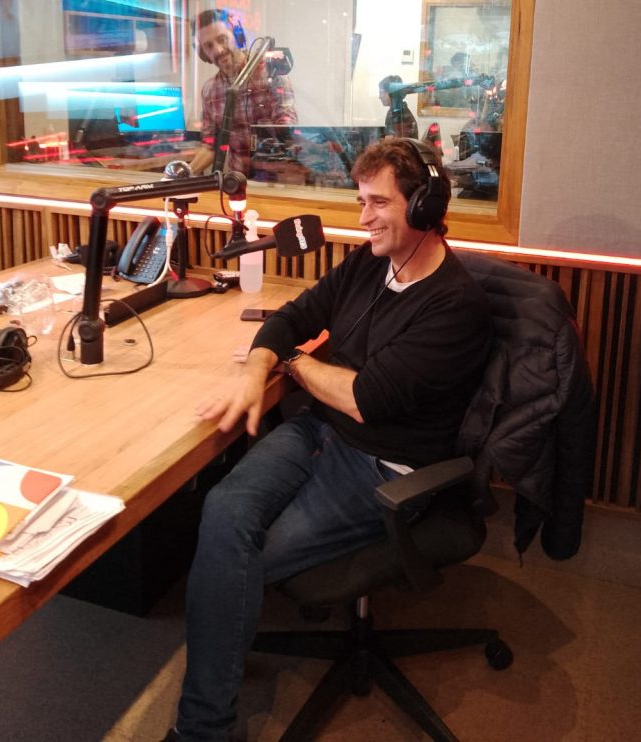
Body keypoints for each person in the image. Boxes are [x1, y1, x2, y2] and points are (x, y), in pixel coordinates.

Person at [163, 138, 493, 741]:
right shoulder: (371, 262)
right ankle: (206, 729)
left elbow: (365, 398)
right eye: (360, 201)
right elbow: (293, 316)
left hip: (383, 467)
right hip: (317, 430)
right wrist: (258, 370)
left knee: (242, 561)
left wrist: (291, 362)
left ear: (424, 206)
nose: (364, 218)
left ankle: (199, 727)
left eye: (378, 203)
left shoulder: (455, 305)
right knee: (223, 514)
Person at [190, 9, 298, 175]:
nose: (218, 50)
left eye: (222, 39)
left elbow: (287, 132)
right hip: (235, 183)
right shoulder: (209, 91)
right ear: (203, 54)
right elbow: (209, 147)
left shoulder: (271, 72)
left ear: (238, 36)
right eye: (209, 46)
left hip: (274, 181)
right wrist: (183, 174)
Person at [378, 74, 418, 139]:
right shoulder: (393, 112)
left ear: (392, 93)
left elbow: (397, 142)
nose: (380, 96)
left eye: (381, 92)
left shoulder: (400, 115)